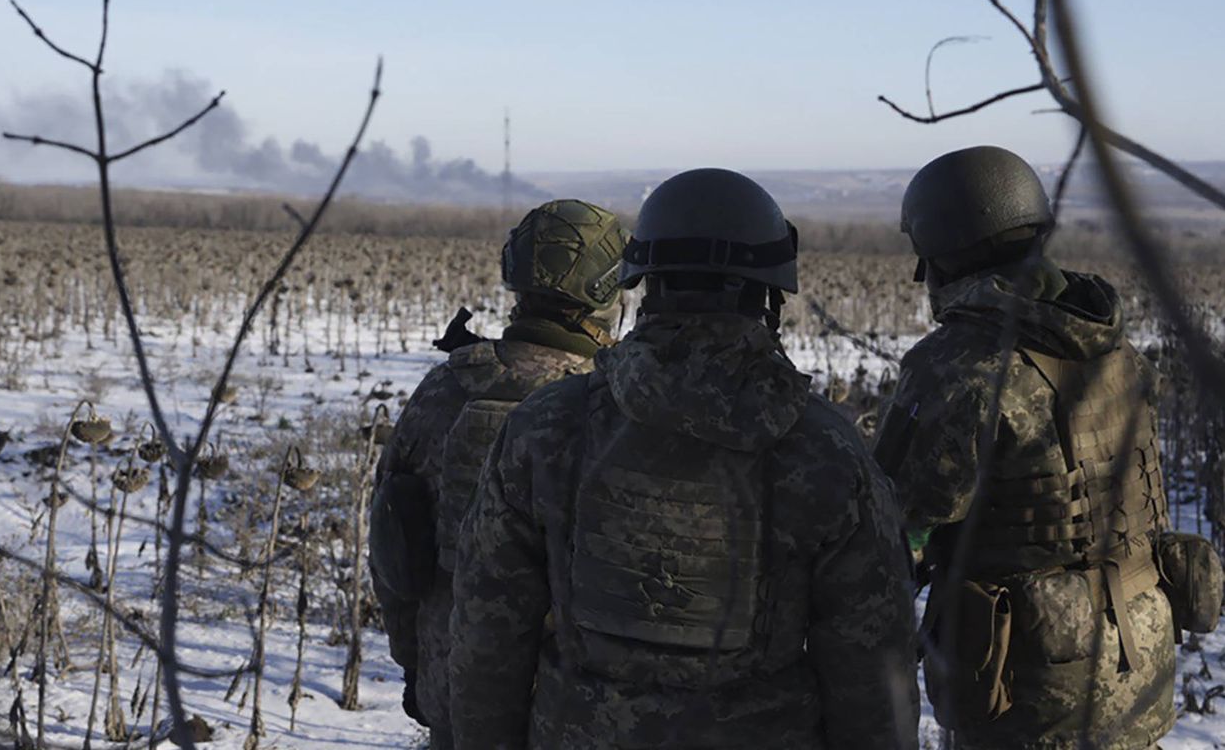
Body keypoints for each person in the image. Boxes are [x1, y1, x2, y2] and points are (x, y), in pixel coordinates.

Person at [449, 168, 920, 750]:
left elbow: (488, 637)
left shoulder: (545, 427)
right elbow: (873, 670)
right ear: (770, 293)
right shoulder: (826, 450)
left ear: (641, 281)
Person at [873, 145, 1206, 749]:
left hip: (1030, 684)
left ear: (942, 255)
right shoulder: (1114, 346)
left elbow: (896, 525)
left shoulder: (959, 365)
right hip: (1143, 657)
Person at [368, 199, 629, 750]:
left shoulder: (445, 390)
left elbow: (393, 552)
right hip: (579, 713)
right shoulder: (615, 407)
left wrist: (418, 667)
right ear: (607, 293)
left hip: (455, 695)